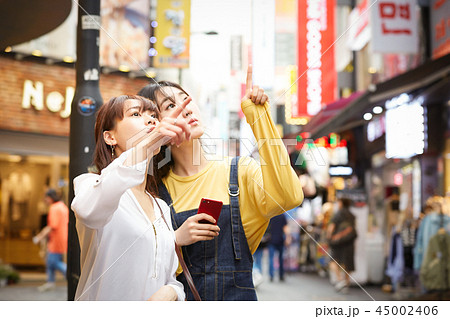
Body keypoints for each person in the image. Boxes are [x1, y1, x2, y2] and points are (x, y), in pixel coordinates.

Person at [137, 65, 304, 300]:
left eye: (186, 99)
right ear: (156, 124)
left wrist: (259, 116)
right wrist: (175, 240)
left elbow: (289, 197)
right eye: (171, 106)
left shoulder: (239, 172)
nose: (186, 109)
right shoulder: (153, 194)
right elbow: (144, 267)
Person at [70, 95, 197, 301]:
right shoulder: (90, 184)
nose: (151, 120)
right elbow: (89, 212)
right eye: (136, 114)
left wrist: (170, 291)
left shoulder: (161, 206)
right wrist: (145, 145)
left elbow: (170, 278)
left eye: (154, 116)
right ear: (110, 137)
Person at [33, 189, 69, 292]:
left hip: (56, 239)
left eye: (46, 198)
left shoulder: (54, 208)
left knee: (53, 262)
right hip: (62, 237)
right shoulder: (62, 206)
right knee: (51, 262)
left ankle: (69, 274)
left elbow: (51, 226)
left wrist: (39, 237)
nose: (45, 200)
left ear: (50, 197)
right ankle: (50, 282)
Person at [327, 198, 356, 293]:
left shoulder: (338, 214)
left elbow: (332, 227)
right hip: (349, 241)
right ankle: (346, 282)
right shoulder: (352, 215)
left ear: (341, 203)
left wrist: (329, 237)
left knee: (333, 261)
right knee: (347, 261)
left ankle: (340, 280)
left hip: (338, 241)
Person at [267, 213, 289, 282]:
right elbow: (285, 228)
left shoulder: (271, 215)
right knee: (281, 259)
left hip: (271, 240)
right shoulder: (282, 216)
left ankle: (271, 275)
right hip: (280, 240)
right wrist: (288, 238)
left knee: (271, 258)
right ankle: (281, 275)